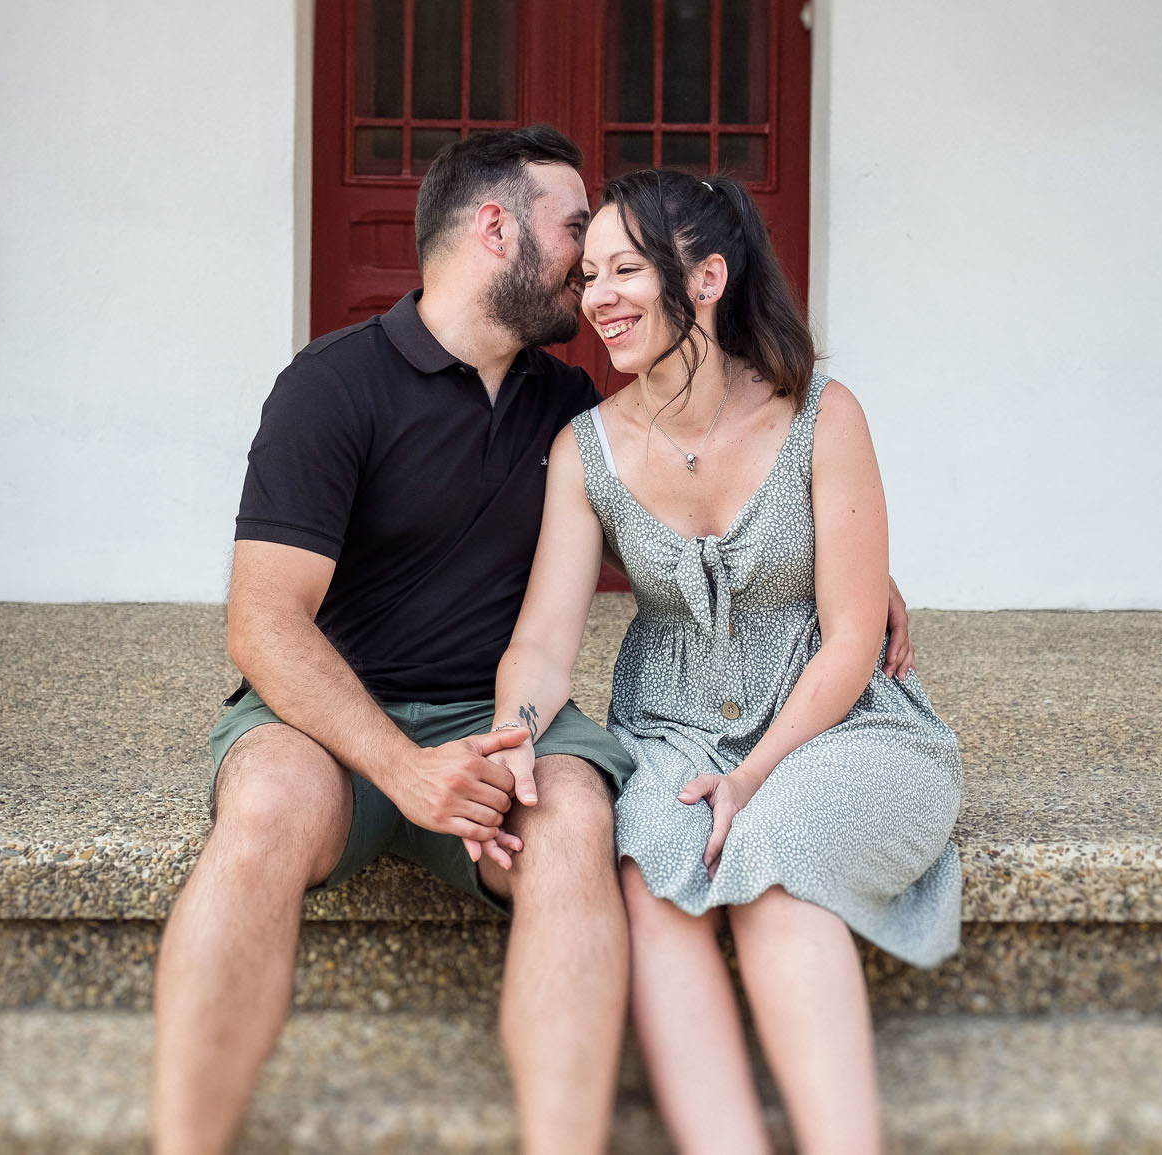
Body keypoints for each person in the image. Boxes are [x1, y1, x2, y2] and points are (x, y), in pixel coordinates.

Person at [152, 128, 918, 1154]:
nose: (588, 276)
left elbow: (702, 471)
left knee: (574, 824)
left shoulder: (567, 405)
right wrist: (401, 765)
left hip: (502, 717)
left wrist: (849, 562)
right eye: (574, 237)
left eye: (613, 260)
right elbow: (261, 623)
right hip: (329, 722)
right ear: (496, 228)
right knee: (266, 807)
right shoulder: (331, 386)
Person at [478, 168, 962, 1155]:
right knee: (650, 881)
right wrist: (513, 736)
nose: (598, 296)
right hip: (670, 730)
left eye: (625, 269)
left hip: (839, 721)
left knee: (776, 860)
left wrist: (752, 774)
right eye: (590, 274)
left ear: (704, 279)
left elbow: (852, 635)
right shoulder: (586, 449)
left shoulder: (821, 414)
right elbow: (543, 641)